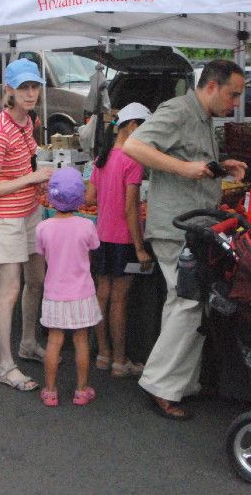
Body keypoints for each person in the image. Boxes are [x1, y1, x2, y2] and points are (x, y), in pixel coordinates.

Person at [122, 59, 247, 420]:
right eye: (233, 94)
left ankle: (177, 384)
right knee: (187, 302)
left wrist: (220, 168)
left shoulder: (204, 117)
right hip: (176, 228)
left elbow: (196, 163)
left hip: (194, 227)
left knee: (186, 303)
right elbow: (134, 146)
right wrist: (186, 169)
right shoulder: (178, 110)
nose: (235, 103)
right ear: (211, 87)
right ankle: (161, 385)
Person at [0, 58, 55, 393]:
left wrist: (40, 169)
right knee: (9, 290)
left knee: (36, 279)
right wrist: (33, 176)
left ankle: (28, 343)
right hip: (6, 217)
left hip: (29, 211)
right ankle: (5, 366)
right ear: (8, 90)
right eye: (23, 87)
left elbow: (27, 159)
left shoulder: (28, 121)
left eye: (34, 86)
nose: (30, 93)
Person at [85, 102, 153, 378]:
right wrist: (140, 248)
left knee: (103, 294)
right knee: (119, 301)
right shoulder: (132, 161)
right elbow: (130, 209)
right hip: (124, 240)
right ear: (133, 127)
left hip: (101, 237)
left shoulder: (102, 158)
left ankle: (103, 355)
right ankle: (120, 361)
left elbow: (89, 198)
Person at [36, 166, 102, 407]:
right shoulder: (87, 226)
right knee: (81, 340)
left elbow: (43, 255)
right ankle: (81, 389)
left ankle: (50, 390)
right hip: (82, 292)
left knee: (54, 341)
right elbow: (92, 252)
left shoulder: (43, 227)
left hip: (54, 293)